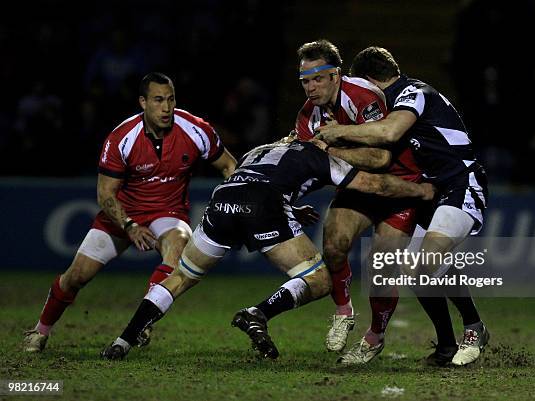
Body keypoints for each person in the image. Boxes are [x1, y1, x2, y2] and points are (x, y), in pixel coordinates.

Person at [100, 135, 435, 360]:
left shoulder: (258, 150)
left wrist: (287, 206)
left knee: (180, 277)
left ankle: (123, 340)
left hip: (223, 199)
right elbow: (373, 183)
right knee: (319, 279)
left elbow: (266, 177)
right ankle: (258, 312)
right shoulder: (318, 154)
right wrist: (419, 192)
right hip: (261, 204)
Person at [23, 72, 237, 353]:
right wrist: (130, 225)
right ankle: (41, 331)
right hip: (123, 215)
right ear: (143, 102)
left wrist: (236, 201)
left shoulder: (196, 129)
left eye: (171, 99)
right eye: (158, 100)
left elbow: (229, 166)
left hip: (168, 211)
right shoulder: (122, 138)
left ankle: (144, 321)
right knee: (76, 277)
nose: (167, 107)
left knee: (179, 246)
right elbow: (105, 195)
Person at [316, 47, 490, 366]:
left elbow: (389, 132)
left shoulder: (413, 92)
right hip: (433, 190)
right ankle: (447, 347)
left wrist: (336, 133)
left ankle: (475, 328)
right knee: (416, 270)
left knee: (425, 262)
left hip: (460, 182)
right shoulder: (393, 101)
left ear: (369, 80)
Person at [295, 40, 423, 364]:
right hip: (359, 185)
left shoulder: (362, 96)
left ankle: (374, 337)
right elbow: (304, 163)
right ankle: (343, 311)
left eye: (317, 79)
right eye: (305, 81)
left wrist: (332, 149)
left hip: (399, 185)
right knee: (334, 243)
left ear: (335, 75)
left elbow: (381, 157)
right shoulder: (307, 116)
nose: (310, 88)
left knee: (380, 270)